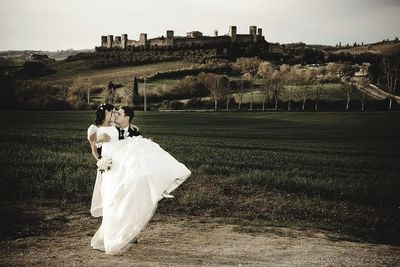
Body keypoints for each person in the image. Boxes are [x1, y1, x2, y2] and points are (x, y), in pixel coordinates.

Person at [88, 104, 191, 255]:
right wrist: (101, 161)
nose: (115, 116)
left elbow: (140, 153)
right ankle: (113, 235)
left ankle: (129, 232)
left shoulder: (131, 130)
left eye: (118, 114)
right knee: (113, 201)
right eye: (113, 113)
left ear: (127, 118)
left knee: (130, 200)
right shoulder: (102, 128)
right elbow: (96, 146)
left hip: (127, 170)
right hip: (111, 169)